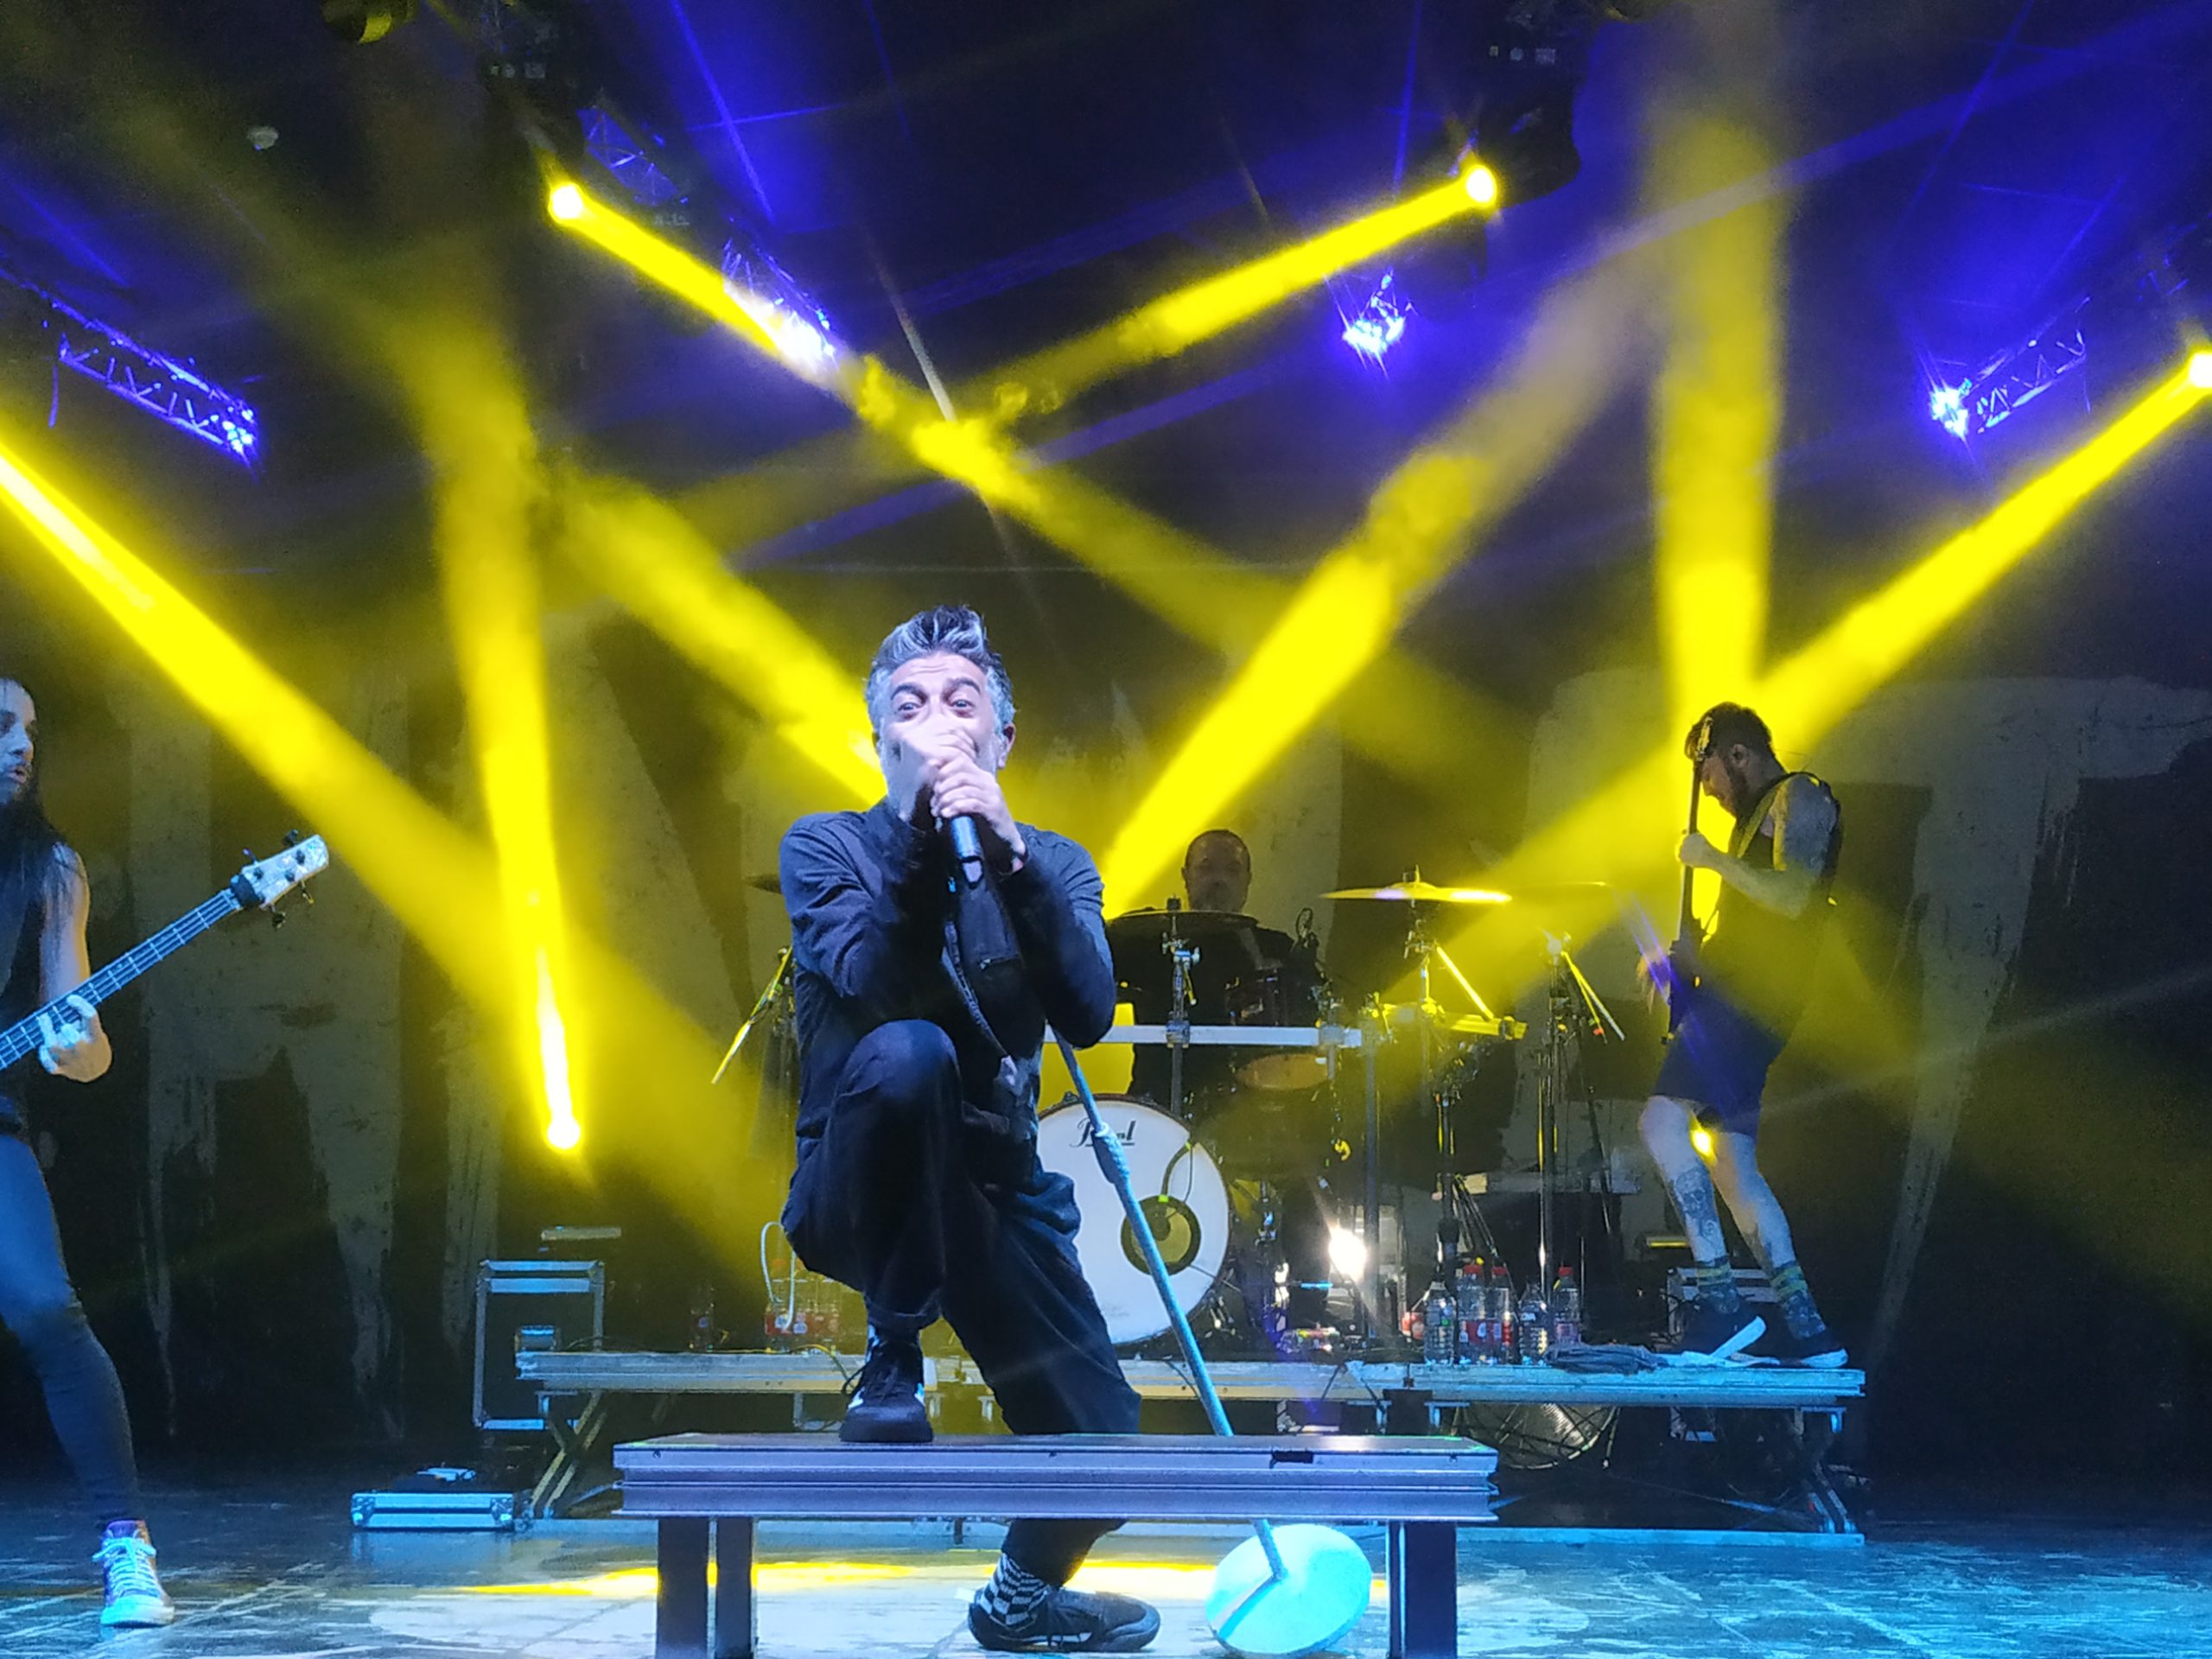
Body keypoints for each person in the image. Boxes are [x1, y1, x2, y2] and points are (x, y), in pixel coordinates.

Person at [778, 607, 1158, 1653]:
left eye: (961, 703)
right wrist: (915, 840)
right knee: (912, 1053)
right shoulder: (827, 848)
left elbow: (1087, 1012)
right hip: (864, 1180)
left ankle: (1019, 1600)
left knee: (1104, 1438)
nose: (938, 724)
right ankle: (890, 1351)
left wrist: (1012, 860)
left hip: (991, 1190)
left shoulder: (1055, 865)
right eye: (910, 708)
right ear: (881, 742)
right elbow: (874, 986)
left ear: (1001, 739)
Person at [0, 676, 175, 1627]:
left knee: (44, 1305)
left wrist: (77, 1048)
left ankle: (126, 1545)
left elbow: (88, 1044)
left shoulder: (51, 868)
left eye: (30, 729)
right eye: (0, 727)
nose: (22, 746)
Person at [1642, 702, 1847, 1366]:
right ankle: (1809, 1330)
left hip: (1754, 1003)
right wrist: (1688, 960)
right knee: (1733, 1165)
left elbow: (1791, 898)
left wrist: (1709, 860)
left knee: (1661, 1125)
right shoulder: (1754, 823)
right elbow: (1757, 925)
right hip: (1744, 998)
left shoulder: (1800, 795)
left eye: (1708, 776)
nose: (1709, 793)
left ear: (1736, 756)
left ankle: (1722, 1307)